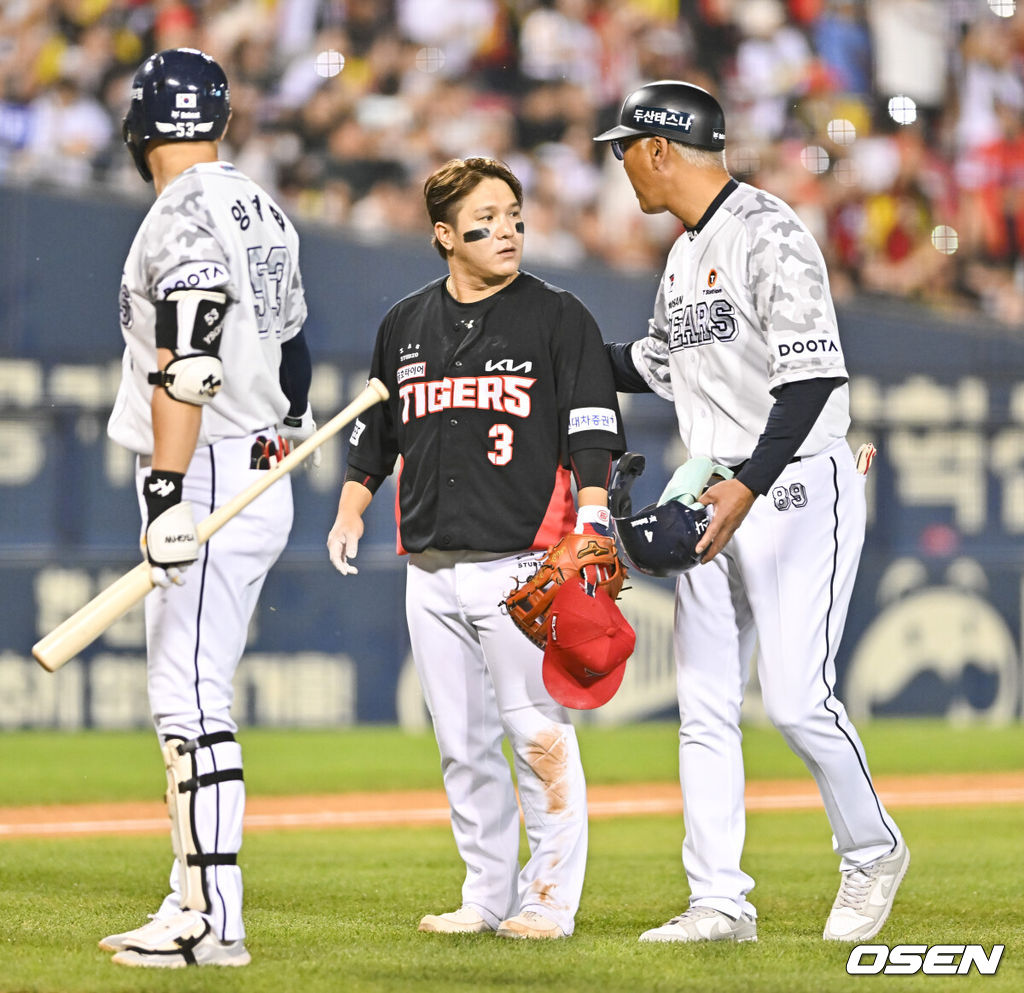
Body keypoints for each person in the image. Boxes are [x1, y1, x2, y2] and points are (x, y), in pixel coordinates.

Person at [594, 80, 908, 944]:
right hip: (710, 489)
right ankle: (719, 901)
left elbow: (813, 378)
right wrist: (556, 352)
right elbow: (655, 363)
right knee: (703, 704)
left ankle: (873, 849)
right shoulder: (681, 253)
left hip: (794, 484)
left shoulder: (769, 232)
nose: (618, 162)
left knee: (801, 699)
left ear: (659, 150)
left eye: (624, 146)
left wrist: (751, 483)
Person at [327, 156, 625, 940]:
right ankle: (486, 893)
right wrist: (353, 506)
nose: (509, 230)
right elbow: (376, 432)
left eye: (516, 215)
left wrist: (591, 516)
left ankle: (550, 899)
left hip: (524, 559)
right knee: (461, 744)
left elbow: (592, 424)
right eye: (487, 219)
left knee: (537, 735)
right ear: (445, 235)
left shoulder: (559, 316)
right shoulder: (403, 324)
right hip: (428, 563)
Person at [98, 48, 316, 968]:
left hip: (212, 473)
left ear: (140, 126)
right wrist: (283, 432)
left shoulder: (179, 211)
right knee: (190, 692)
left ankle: (212, 921)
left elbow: (188, 361)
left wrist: (165, 492)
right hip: (260, 465)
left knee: (188, 699)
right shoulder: (260, 205)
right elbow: (297, 350)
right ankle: (190, 890)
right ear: (221, 122)